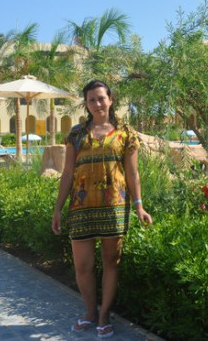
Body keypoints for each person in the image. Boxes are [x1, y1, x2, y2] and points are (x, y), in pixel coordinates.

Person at [52, 79, 152, 339]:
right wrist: (58, 209)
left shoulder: (126, 134)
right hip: (81, 207)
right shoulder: (76, 134)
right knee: (82, 267)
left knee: (111, 263)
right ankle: (89, 312)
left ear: (110, 99)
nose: (97, 104)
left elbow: (133, 174)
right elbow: (67, 174)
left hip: (114, 208)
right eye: (91, 100)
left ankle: (104, 315)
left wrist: (139, 206)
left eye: (101, 98)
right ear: (86, 104)